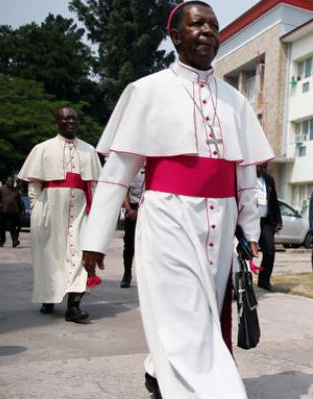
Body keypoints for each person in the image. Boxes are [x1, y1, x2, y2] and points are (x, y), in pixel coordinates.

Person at [80, 2, 273, 397]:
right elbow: (117, 174)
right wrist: (94, 238)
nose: (207, 31)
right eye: (196, 24)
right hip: (169, 214)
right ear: (175, 36)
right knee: (184, 312)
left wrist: (250, 230)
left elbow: (245, 177)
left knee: (197, 311)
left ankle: (158, 371)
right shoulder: (148, 90)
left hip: (221, 219)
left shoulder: (234, 101)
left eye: (214, 26)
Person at [17, 106, 102, 323]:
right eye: (66, 119)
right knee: (51, 256)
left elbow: (93, 184)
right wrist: (37, 208)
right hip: (50, 209)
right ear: (57, 122)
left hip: (80, 209)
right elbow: (34, 185)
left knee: (80, 254)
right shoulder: (42, 149)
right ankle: (49, 296)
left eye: (74, 119)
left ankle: (74, 307)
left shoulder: (89, 150)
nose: (71, 122)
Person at [255, 161, 282, 291]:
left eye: (265, 167)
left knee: (270, 251)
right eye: (261, 167)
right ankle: (243, 280)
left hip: (266, 221)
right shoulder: (246, 179)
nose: (263, 170)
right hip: (250, 220)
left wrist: (278, 219)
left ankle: (264, 280)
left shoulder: (269, 180)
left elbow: (274, 201)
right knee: (245, 253)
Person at [120, 168, 144, 288]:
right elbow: (124, 190)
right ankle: (127, 273)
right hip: (132, 208)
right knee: (129, 244)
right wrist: (129, 209)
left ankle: (146, 277)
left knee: (148, 245)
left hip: (149, 209)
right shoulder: (133, 170)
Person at [0, 177, 24, 248]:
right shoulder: (1, 189)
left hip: (13, 211)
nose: (11, 183)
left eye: (12, 182)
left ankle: (14, 241)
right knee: (2, 227)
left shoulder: (16, 190)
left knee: (13, 227)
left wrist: (21, 210)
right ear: (6, 182)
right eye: (9, 181)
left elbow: (19, 201)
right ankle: (2, 241)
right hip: (3, 211)